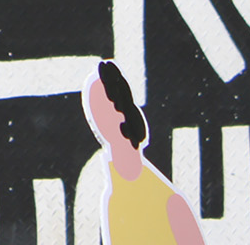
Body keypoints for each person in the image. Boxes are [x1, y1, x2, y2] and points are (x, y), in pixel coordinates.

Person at [81, 61, 207, 245]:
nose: (97, 121)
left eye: (100, 109)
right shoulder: (113, 201)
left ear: (120, 111)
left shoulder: (170, 203)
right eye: (94, 113)